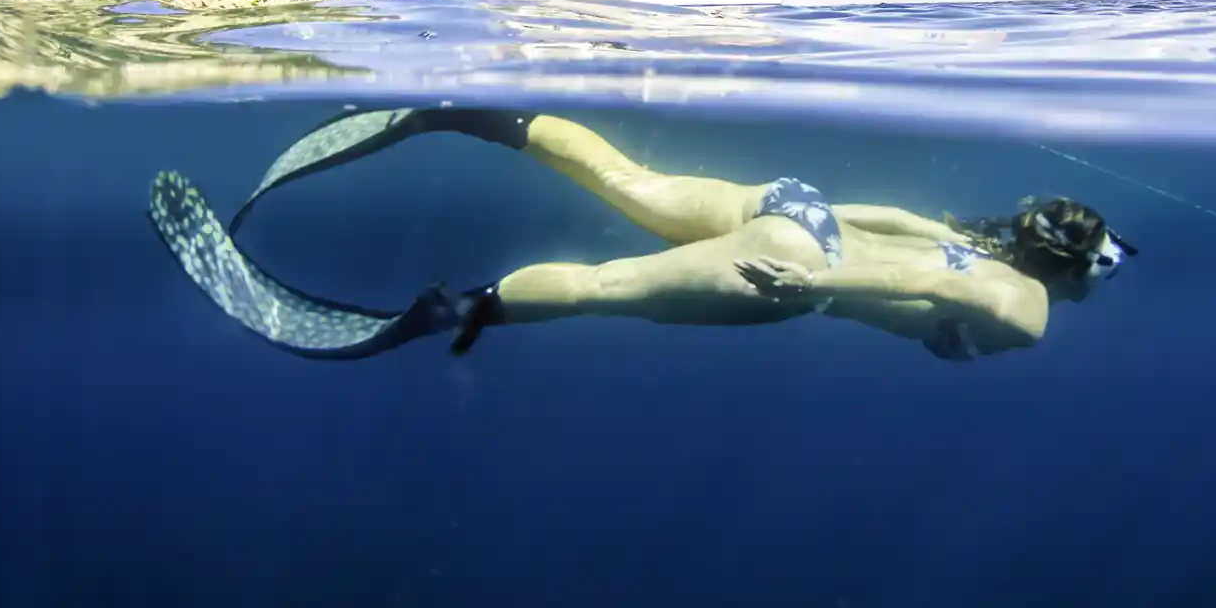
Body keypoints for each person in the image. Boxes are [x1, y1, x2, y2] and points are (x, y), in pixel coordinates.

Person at [146, 109, 1138, 364]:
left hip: (799, 210)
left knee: (632, 180)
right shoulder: (1026, 304)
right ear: (1068, 268)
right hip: (803, 262)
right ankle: (438, 315)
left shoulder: (971, 236)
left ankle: (461, 115)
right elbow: (945, 294)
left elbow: (887, 222)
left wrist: (812, 232)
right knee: (604, 285)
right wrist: (819, 284)